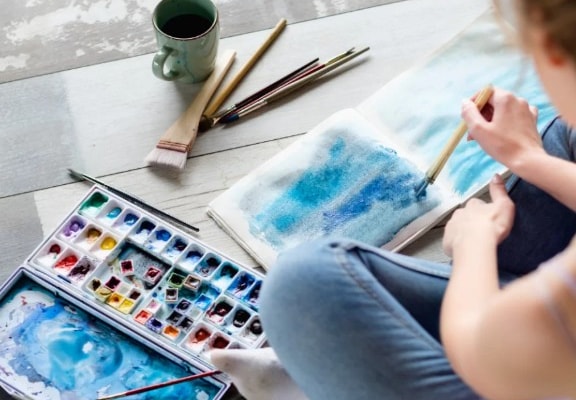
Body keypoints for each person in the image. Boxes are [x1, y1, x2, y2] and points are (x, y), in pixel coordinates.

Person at [209, 0, 576, 399]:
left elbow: (483, 352)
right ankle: (347, 366)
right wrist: (529, 158)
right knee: (565, 139)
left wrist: (474, 246)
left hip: (509, 367)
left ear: (554, 56)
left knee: (299, 286)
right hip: (535, 335)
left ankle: (332, 376)